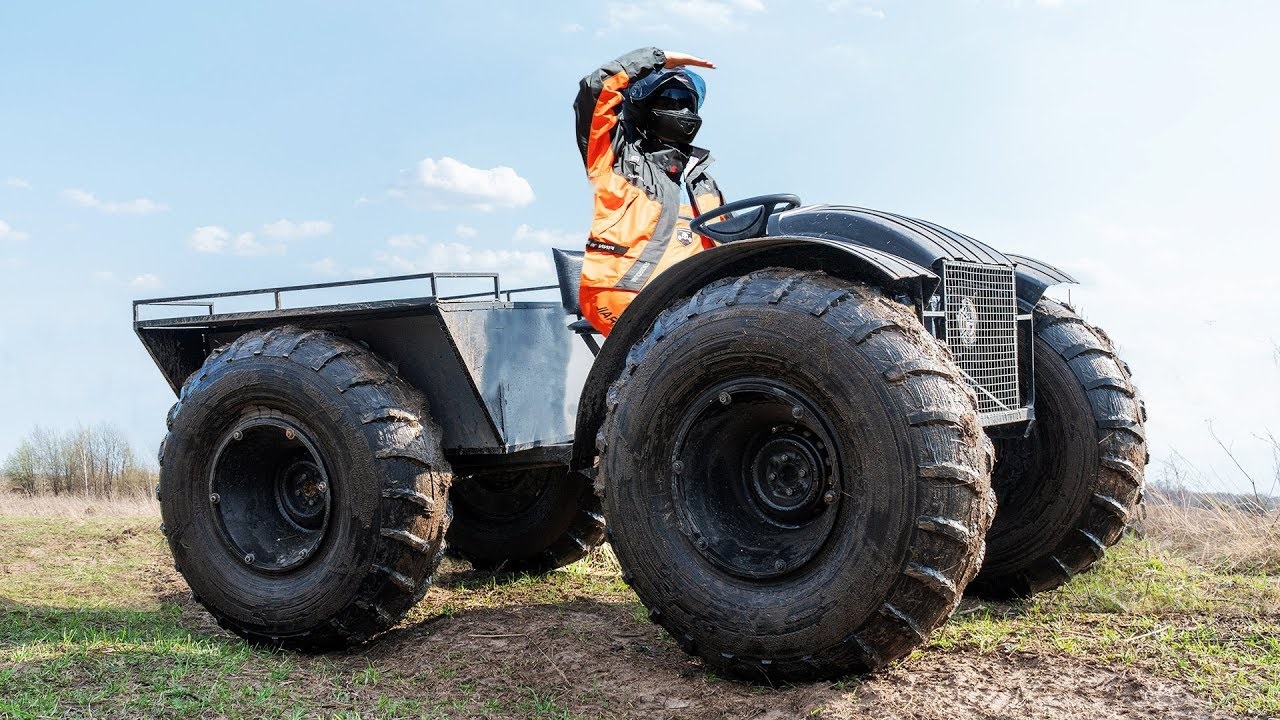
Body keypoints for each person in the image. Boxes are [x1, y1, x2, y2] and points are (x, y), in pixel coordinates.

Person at [573, 47, 724, 336]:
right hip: (624, 293)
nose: (683, 110)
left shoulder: (703, 181)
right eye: (671, 99)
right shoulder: (618, 159)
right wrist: (658, 58)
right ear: (645, 109)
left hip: (692, 303)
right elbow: (594, 90)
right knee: (679, 344)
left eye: (687, 102)